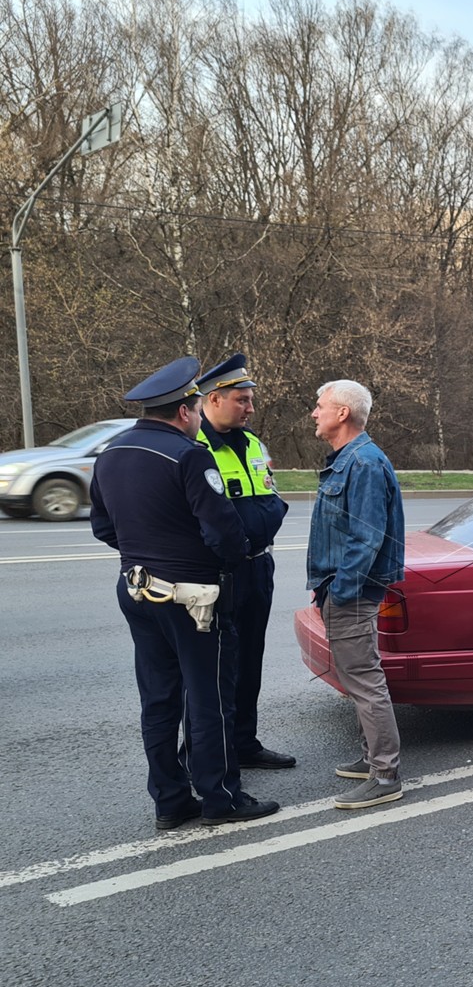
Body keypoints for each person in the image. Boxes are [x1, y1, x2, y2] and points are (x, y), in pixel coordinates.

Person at [89, 356, 280, 830]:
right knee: (211, 697)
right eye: (195, 409)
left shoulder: (111, 453)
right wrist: (222, 561)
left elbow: (102, 526)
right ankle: (221, 798)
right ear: (184, 411)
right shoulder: (189, 455)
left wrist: (146, 554)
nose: (196, 418)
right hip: (194, 596)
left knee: (158, 698)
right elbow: (224, 534)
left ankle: (170, 800)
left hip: (136, 588)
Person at [307, 379, 406, 809]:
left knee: (364, 680)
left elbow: (364, 537)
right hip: (341, 588)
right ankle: (372, 758)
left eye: (321, 405)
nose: (314, 412)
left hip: (352, 591)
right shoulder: (350, 459)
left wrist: (342, 593)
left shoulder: (362, 463)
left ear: (342, 413)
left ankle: (385, 775)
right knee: (356, 677)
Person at [194, 354, 295, 771]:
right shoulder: (194, 448)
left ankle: (245, 742)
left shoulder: (252, 442)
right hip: (221, 573)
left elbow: (273, 499)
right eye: (242, 400)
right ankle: (217, 754)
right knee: (220, 666)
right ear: (213, 400)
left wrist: (262, 525)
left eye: (250, 399)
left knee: (251, 656)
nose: (250, 407)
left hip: (258, 567)